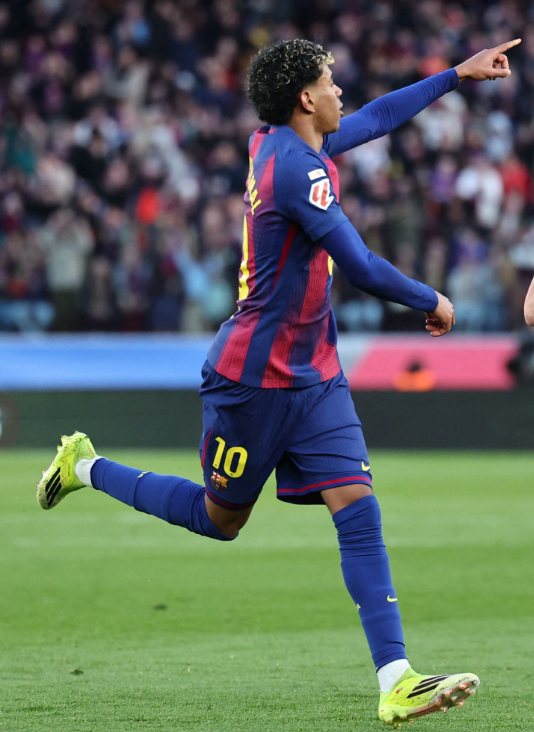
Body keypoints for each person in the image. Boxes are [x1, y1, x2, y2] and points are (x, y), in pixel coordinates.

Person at [37, 37, 520, 727]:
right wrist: (431, 299)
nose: (340, 91)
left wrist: (454, 75)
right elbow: (359, 265)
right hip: (252, 382)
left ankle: (398, 679)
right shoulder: (296, 170)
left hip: (315, 372)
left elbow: (378, 117)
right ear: (305, 99)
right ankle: (85, 466)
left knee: (358, 506)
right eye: (330, 81)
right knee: (220, 519)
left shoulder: (280, 142)